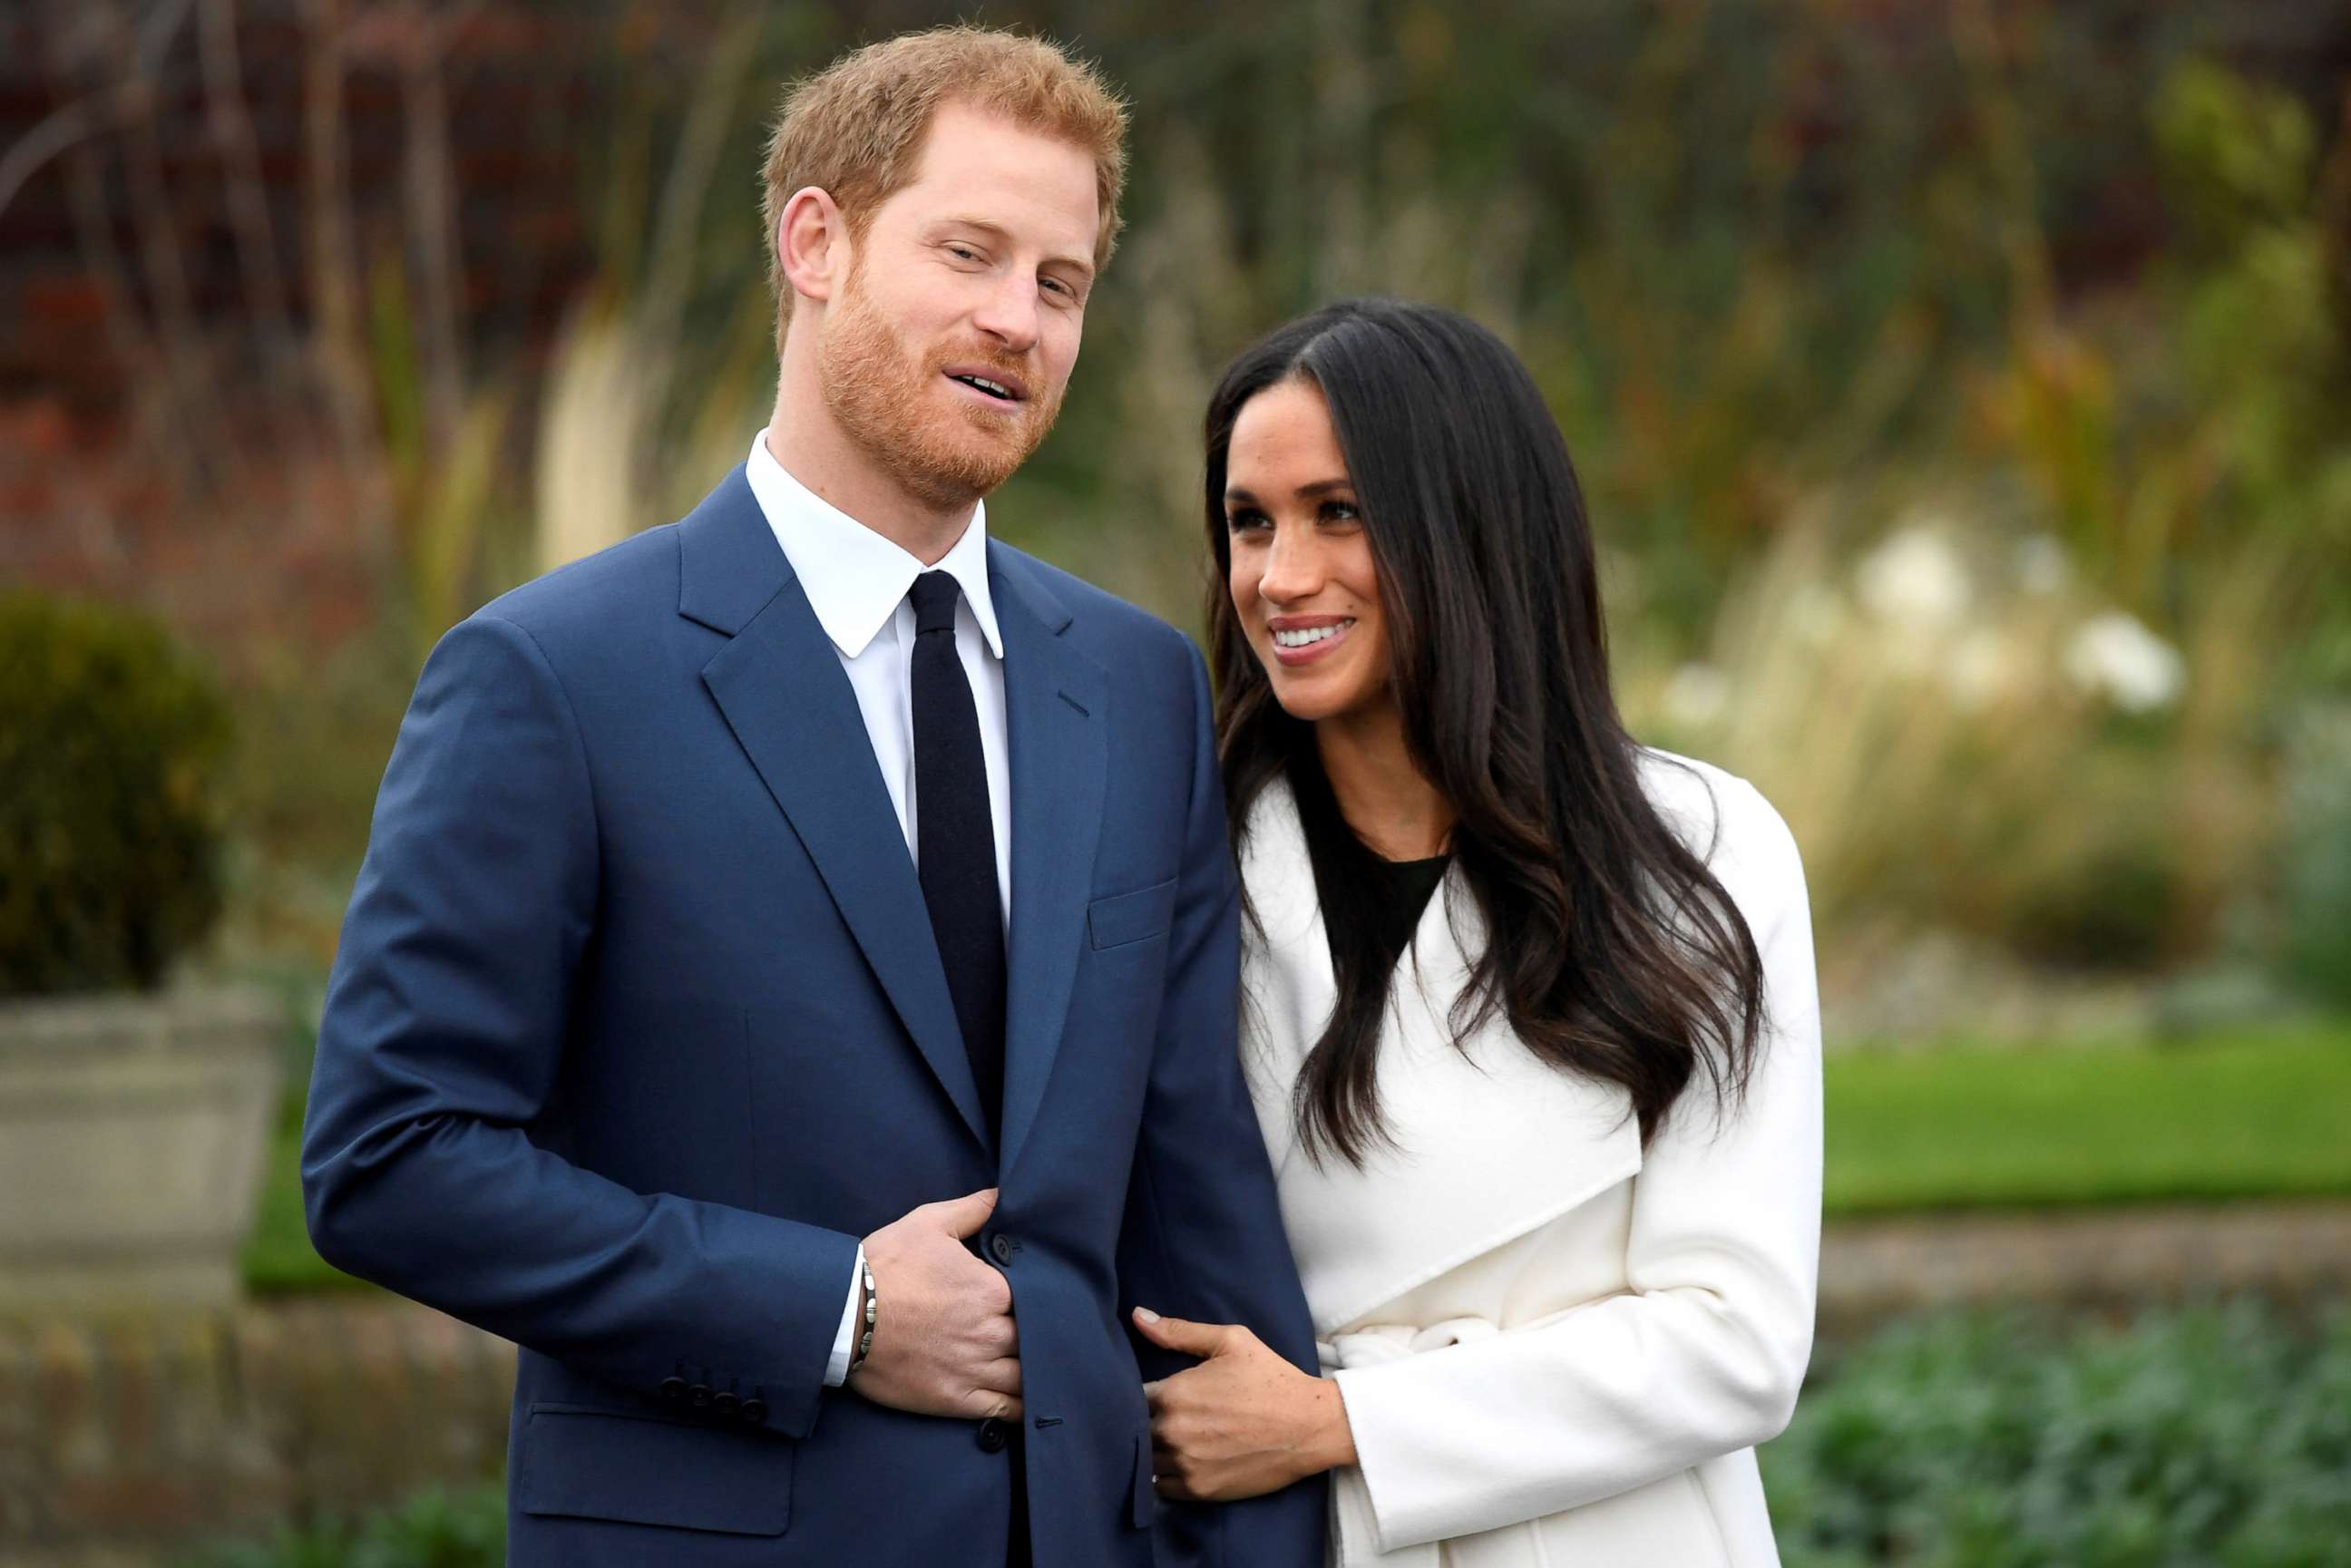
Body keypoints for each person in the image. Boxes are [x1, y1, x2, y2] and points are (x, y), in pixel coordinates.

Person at [300, 26, 1325, 1568]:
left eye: (1061, 283)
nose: (1018, 320)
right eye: (968, 251)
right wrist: (829, 1310)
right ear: (816, 241)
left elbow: (1199, 1204)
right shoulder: (551, 677)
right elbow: (389, 1155)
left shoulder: (1133, 686)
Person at [1128, 299, 1823, 1567]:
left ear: (1467, 526)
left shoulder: (1703, 855)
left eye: (1340, 512)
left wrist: (1339, 1419)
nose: (1281, 577)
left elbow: (1738, 1340)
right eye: (1249, 521)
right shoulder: (1181, 864)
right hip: (1290, 1543)